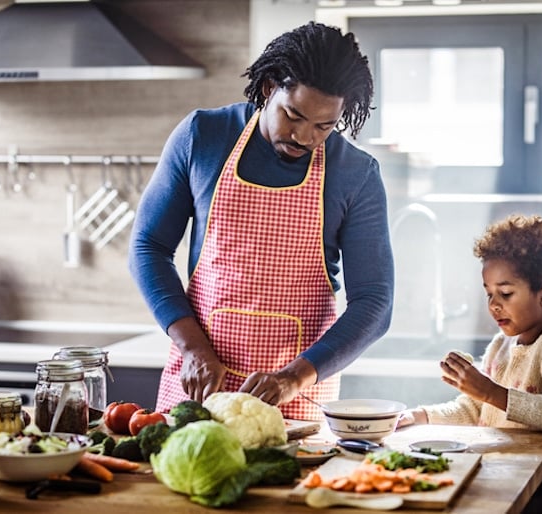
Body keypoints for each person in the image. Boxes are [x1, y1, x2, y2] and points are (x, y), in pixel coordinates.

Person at [128, 22, 394, 420]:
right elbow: (148, 246)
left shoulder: (356, 173)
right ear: (269, 87)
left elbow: (374, 302)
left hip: (294, 401)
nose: (304, 136)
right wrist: (193, 349)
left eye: (324, 126)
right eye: (293, 115)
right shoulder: (203, 137)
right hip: (199, 385)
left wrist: (294, 377)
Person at [398, 214, 542, 513]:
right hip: (498, 476)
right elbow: (473, 409)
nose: (494, 305)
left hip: (534, 491)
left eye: (506, 293)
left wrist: (491, 392)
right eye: (489, 293)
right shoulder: (501, 345)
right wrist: (419, 415)